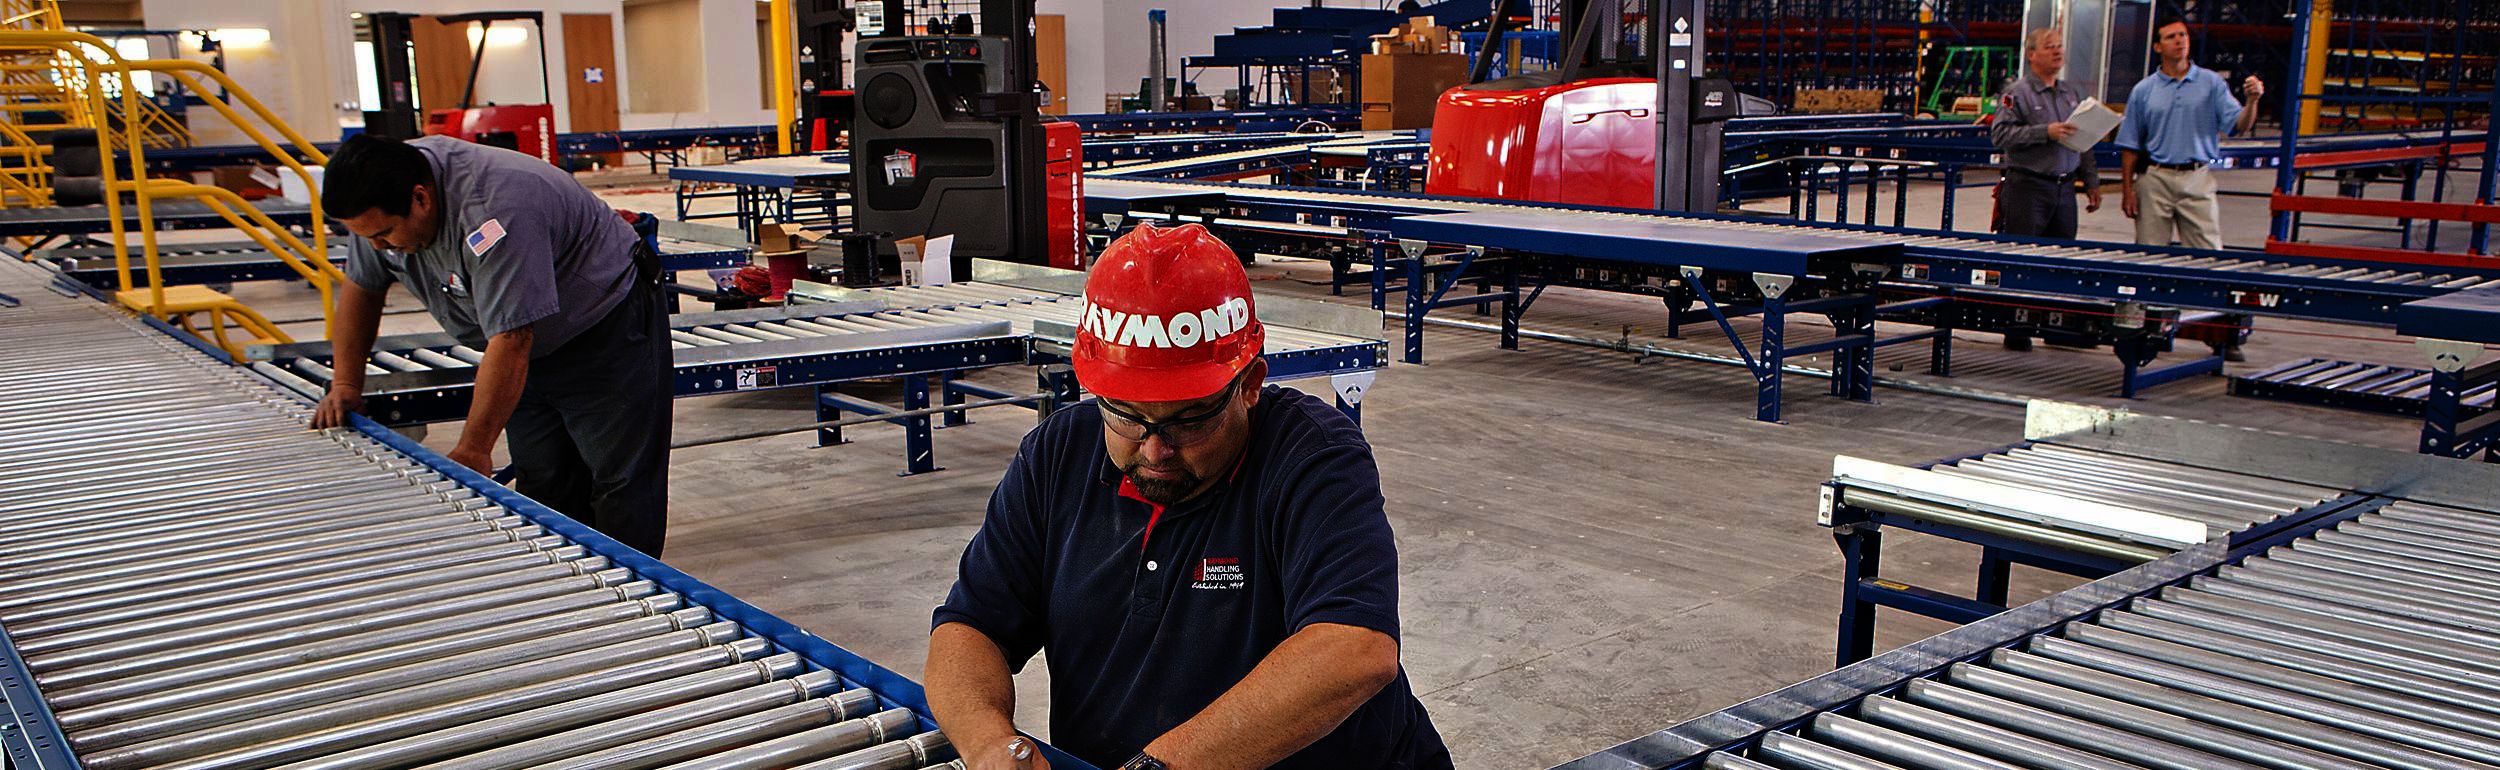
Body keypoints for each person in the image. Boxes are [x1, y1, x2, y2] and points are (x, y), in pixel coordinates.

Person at [924, 222, 1450, 770]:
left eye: (1189, 420)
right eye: (1126, 415)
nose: (1155, 450)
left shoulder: (1311, 456)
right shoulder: (1058, 455)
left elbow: (1353, 649)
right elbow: (972, 625)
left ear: (1248, 386)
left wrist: (1160, 767)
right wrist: (988, 741)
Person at [309, 134, 674, 556]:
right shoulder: (375, 202)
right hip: (522, 340)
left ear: (421, 198)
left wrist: (474, 449)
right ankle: (564, 587)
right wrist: (347, 384)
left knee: (619, 480)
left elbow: (513, 338)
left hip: (604, 324)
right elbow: (362, 289)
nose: (377, 246)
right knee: (545, 478)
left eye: (386, 234)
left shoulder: (495, 210)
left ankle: (629, 601)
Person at [2115, 15, 2264, 249]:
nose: (2179, 41)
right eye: (2171, 37)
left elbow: (2239, 125)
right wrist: (2127, 191)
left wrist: (2252, 102)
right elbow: (2130, 144)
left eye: (2182, 35)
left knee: (2207, 253)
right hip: (2155, 178)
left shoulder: (2211, 83)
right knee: (2149, 253)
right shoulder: (2144, 90)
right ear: (2157, 46)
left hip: (2197, 177)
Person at [1991, 26, 2102, 240]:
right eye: (2049, 47)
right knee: (2022, 255)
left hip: (2065, 190)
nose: (2057, 52)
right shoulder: (2016, 94)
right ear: (2031, 54)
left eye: (2060, 46)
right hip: (2028, 190)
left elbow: (2083, 139)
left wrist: (2091, 181)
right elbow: (2000, 134)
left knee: (2060, 258)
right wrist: (2045, 132)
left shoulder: (2069, 94)